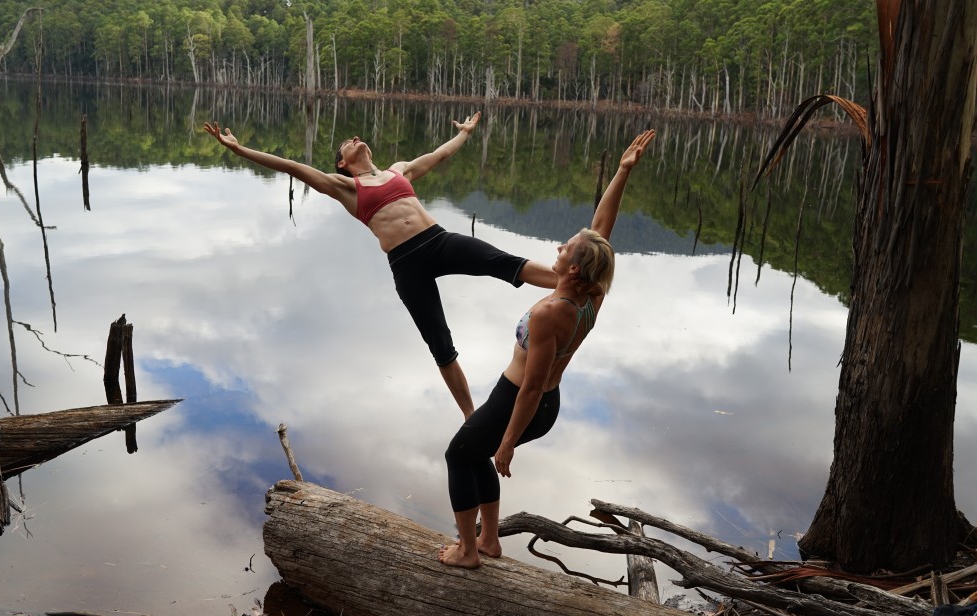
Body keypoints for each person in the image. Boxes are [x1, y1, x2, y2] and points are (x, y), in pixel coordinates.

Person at [203, 113, 556, 419]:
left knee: (502, 262)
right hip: (407, 264)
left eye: (356, 137)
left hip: (438, 240)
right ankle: (470, 416)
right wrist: (239, 150)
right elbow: (291, 166)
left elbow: (439, 155)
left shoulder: (398, 170)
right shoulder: (345, 187)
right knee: (440, 343)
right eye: (347, 142)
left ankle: (568, 282)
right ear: (342, 163)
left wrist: (464, 133)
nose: (355, 138)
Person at [438, 129, 657, 569]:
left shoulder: (550, 313)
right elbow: (602, 230)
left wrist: (508, 443)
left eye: (565, 249)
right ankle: (489, 541)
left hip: (521, 400)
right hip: (545, 404)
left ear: (573, 268)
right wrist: (622, 172)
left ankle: (467, 551)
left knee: (459, 456)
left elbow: (532, 387)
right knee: (474, 451)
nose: (557, 248)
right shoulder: (592, 296)